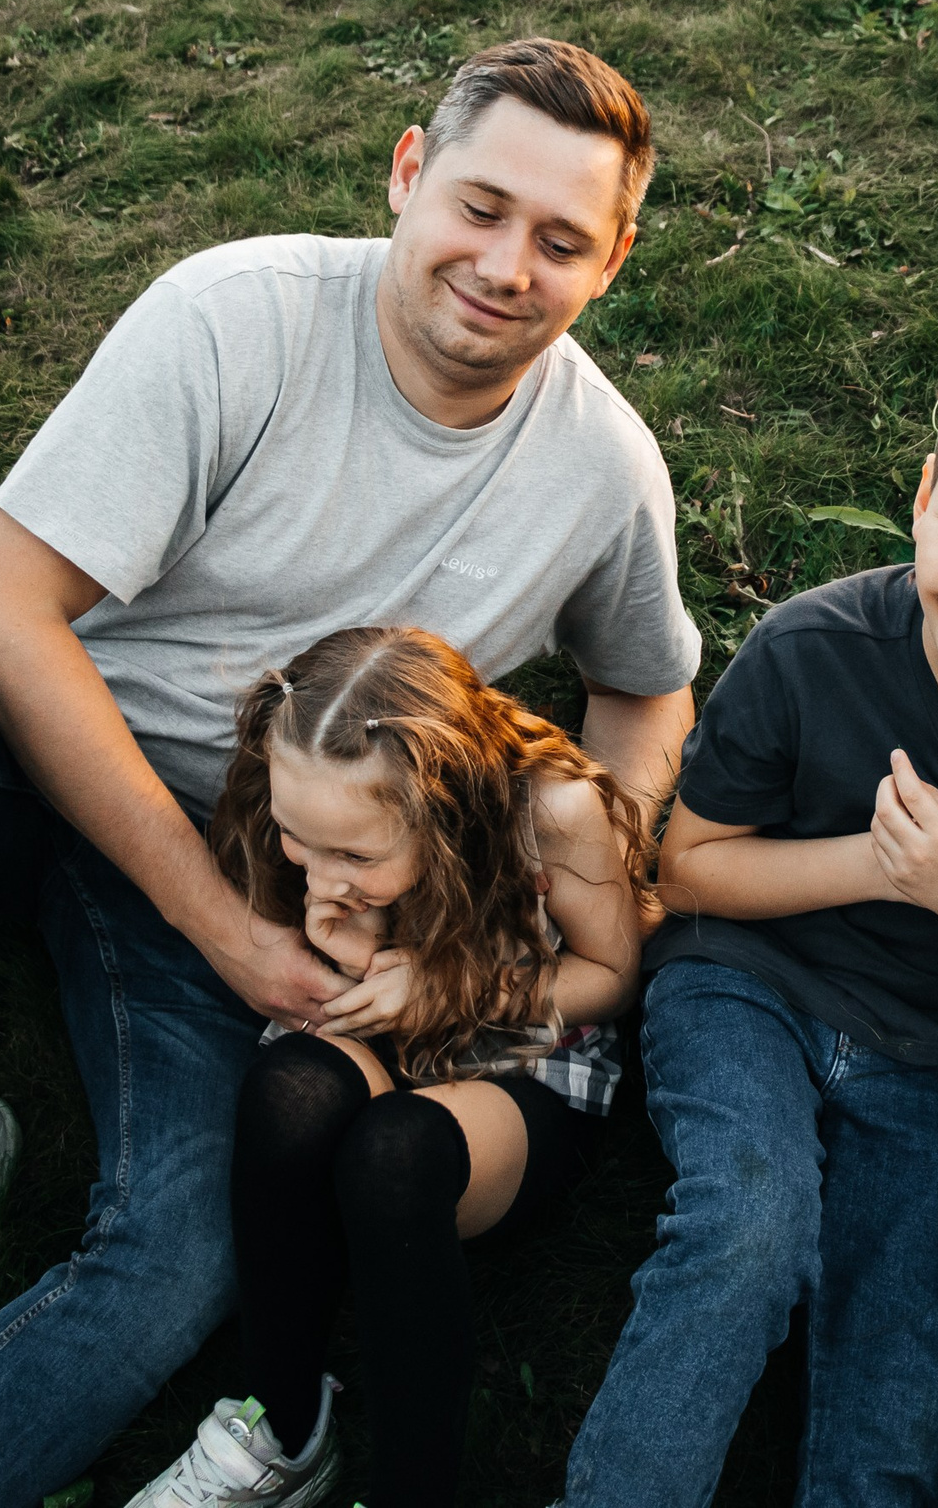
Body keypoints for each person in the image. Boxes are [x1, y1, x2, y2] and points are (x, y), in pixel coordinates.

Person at [0, 38, 701, 1508]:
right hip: (42, 753)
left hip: (287, 854)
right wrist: (221, 932)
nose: (506, 265)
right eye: (480, 207)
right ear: (408, 172)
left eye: (562, 240)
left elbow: (647, 679)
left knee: (184, 1250)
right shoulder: (236, 317)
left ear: (612, 259)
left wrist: (570, 870)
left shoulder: (602, 464)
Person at [561, 329, 938, 1508]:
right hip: (747, 983)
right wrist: (890, 867)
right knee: (747, 1229)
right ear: (923, 499)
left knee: (901, 1353)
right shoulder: (815, 650)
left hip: (933, 1058)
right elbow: (686, 872)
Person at [124, 626, 657, 1508]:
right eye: (301, 839)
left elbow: (612, 973)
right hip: (387, 1038)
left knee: (392, 1153)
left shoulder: (552, 813)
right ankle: (282, 1428)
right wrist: (354, 942)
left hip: (520, 1067)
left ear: (443, 813)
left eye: (354, 856)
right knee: (289, 1094)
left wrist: (453, 986)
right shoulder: (306, 793)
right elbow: (331, 964)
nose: (317, 870)